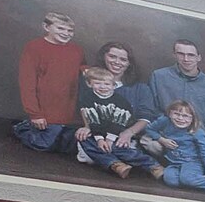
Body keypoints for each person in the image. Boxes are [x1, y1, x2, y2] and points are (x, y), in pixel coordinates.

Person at [144, 39, 205, 181]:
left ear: (199, 57)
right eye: (181, 54)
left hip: (199, 139)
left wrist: (196, 134)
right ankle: (172, 167)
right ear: (174, 55)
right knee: (149, 143)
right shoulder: (159, 76)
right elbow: (151, 109)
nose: (186, 59)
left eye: (191, 55)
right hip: (168, 136)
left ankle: (185, 171)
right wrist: (166, 133)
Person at [13, 11, 81, 151]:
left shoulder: (76, 50)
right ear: (46, 27)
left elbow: (81, 68)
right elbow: (27, 82)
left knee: (68, 146)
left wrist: (89, 71)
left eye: (70, 30)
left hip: (67, 109)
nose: (66, 33)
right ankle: (22, 127)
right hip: (44, 110)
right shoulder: (34, 47)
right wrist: (35, 114)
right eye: (60, 28)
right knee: (44, 144)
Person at [73, 65, 157, 175]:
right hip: (97, 133)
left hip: (117, 133)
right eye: (97, 83)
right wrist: (99, 139)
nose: (102, 87)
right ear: (89, 84)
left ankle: (151, 165)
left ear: (114, 86)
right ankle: (116, 164)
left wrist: (109, 139)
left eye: (107, 84)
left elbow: (118, 123)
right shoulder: (87, 99)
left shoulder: (120, 101)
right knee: (85, 140)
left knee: (118, 148)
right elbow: (92, 120)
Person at [152, 96, 205, 192]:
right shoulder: (165, 122)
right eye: (176, 114)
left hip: (192, 162)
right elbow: (150, 129)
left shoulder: (197, 132)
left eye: (185, 116)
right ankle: (195, 182)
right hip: (175, 163)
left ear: (192, 118)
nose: (180, 118)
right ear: (169, 114)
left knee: (187, 179)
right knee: (170, 180)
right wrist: (161, 139)